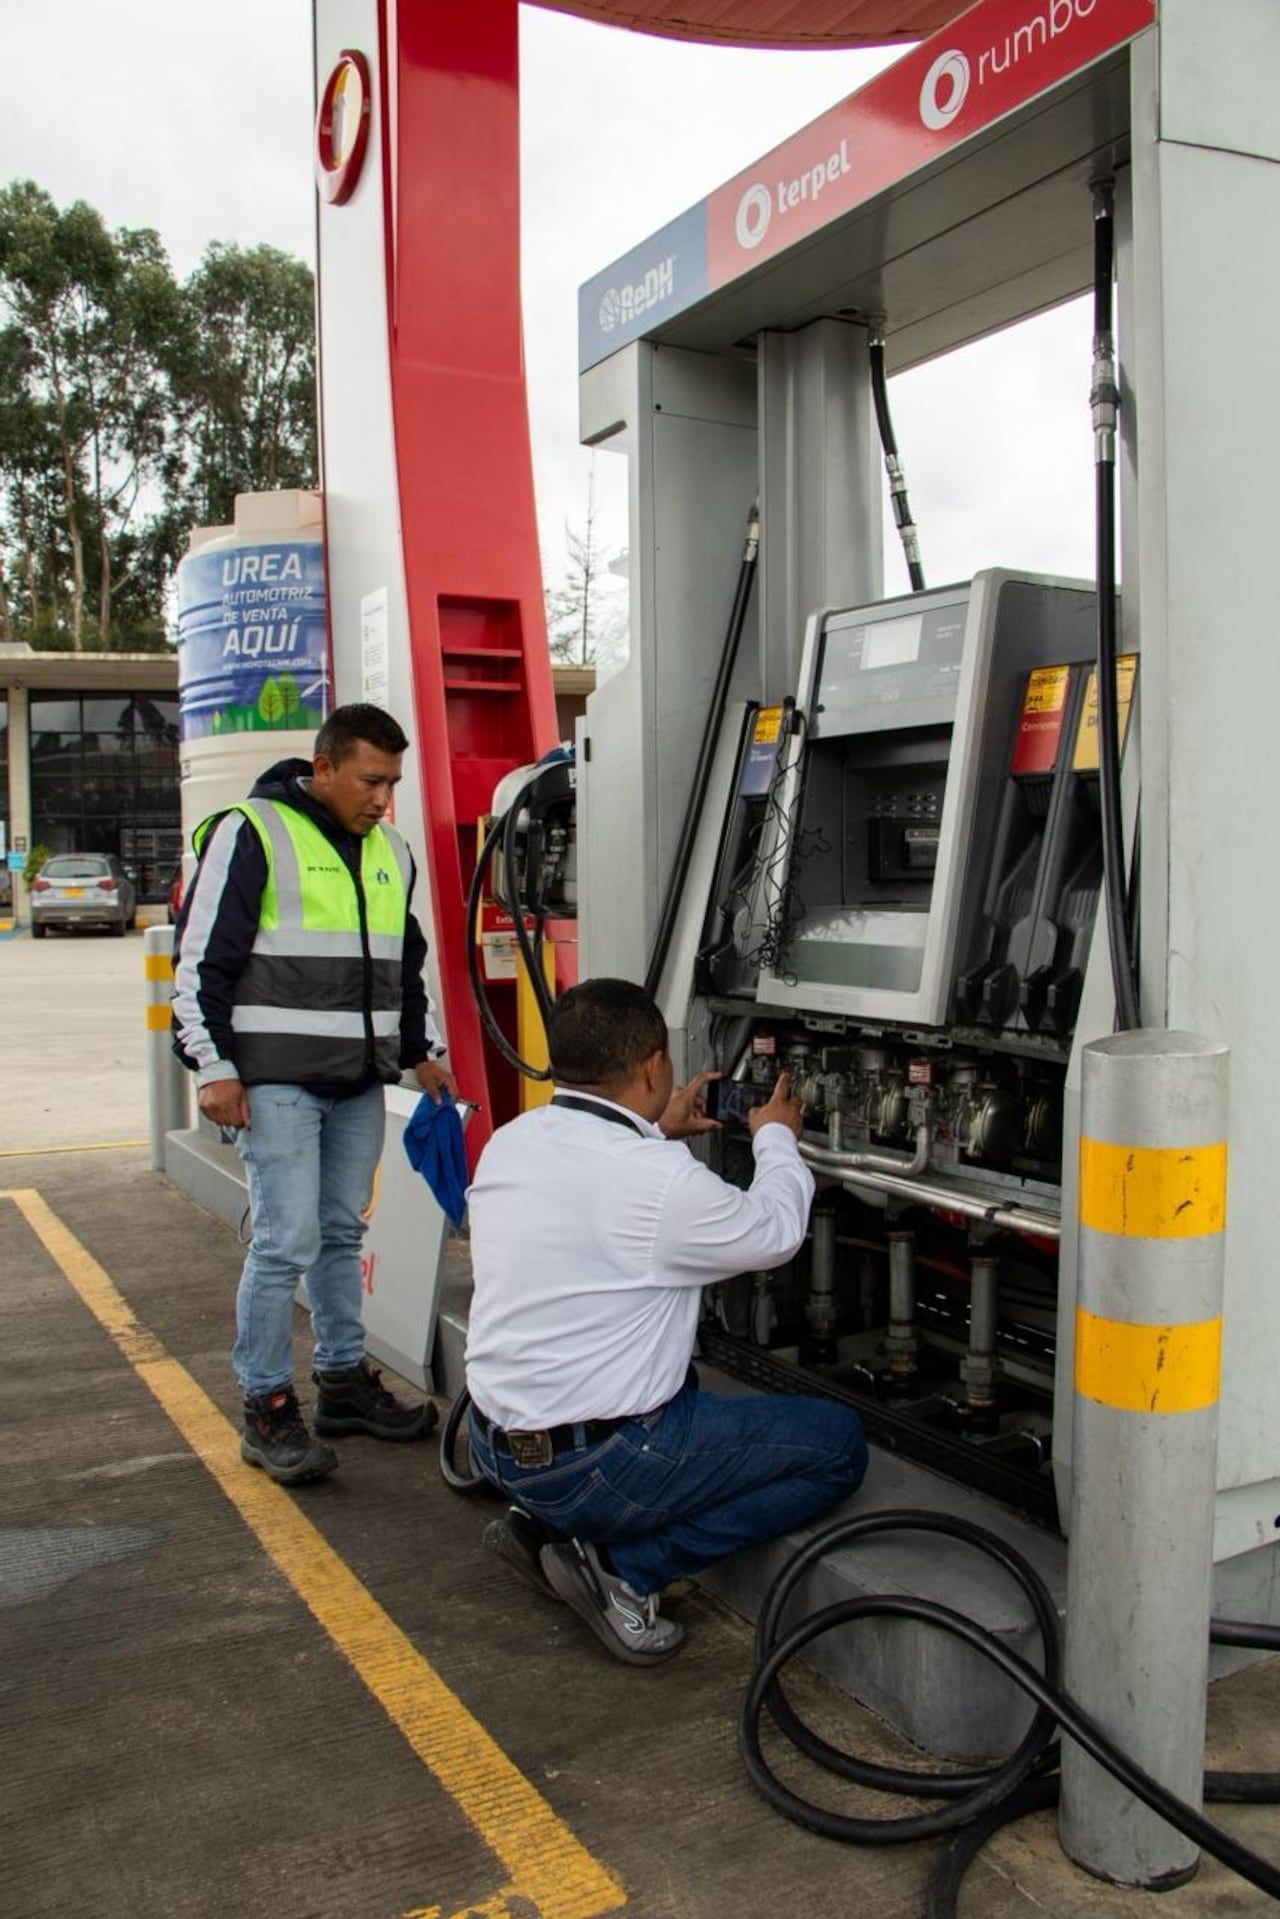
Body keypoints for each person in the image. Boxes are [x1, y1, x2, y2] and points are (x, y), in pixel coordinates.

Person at [464, 977, 868, 1667]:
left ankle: (543, 1520)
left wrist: (653, 1124)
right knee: (838, 1446)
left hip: (494, 1442)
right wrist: (775, 1139)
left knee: (663, 1368)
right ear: (653, 1066)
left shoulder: (513, 1139)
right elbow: (773, 1232)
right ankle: (628, 1569)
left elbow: (600, 1193)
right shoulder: (659, 1180)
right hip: (595, 1464)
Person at [172, 703, 458, 1486]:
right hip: (275, 1084)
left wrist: (422, 1052)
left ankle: (340, 1382)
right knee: (284, 1243)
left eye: (393, 783)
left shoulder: (391, 851)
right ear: (323, 767)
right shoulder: (253, 830)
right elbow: (200, 964)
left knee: (339, 1235)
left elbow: (405, 965)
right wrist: (213, 1066)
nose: (382, 798)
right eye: (370, 780)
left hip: (358, 1081)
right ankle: (266, 1406)